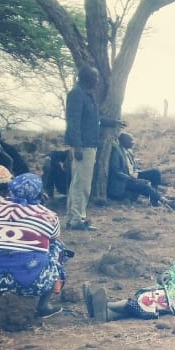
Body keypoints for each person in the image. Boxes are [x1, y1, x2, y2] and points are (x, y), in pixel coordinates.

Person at [0, 174, 68, 318]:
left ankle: (3, 296)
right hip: (30, 285)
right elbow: (54, 237)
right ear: (40, 192)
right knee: (58, 248)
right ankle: (43, 306)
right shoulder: (50, 215)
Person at [65, 66, 103, 231]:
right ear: (87, 78)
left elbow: (93, 119)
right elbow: (73, 122)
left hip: (89, 144)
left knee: (78, 183)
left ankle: (73, 218)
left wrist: (111, 122)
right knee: (82, 185)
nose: (97, 81)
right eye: (95, 77)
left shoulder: (87, 95)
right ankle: (77, 219)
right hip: (84, 146)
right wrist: (77, 145)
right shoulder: (77, 94)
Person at [108, 132, 168, 207]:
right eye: (131, 141)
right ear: (124, 141)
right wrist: (134, 179)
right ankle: (164, 201)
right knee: (144, 185)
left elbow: (133, 166)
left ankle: (154, 200)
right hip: (125, 179)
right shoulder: (117, 151)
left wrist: (136, 174)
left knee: (155, 173)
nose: (133, 143)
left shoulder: (129, 151)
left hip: (133, 175)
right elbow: (116, 171)